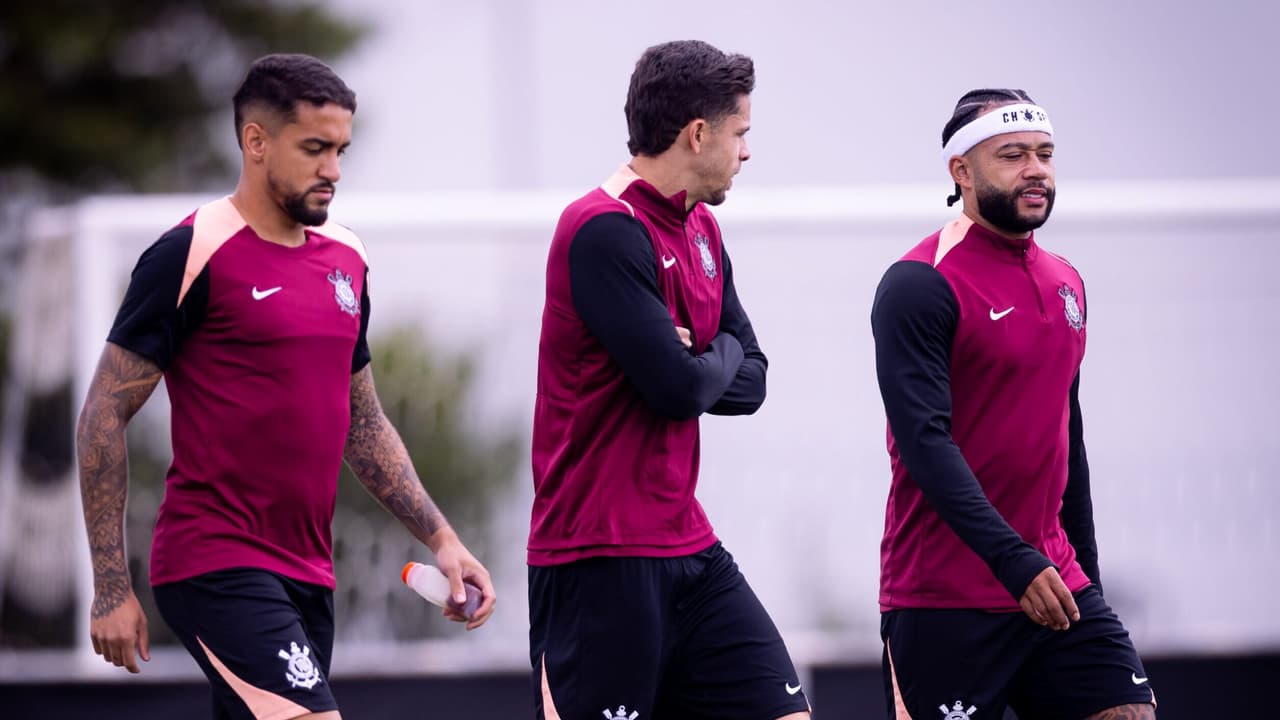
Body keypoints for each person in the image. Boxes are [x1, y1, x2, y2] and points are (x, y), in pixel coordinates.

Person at [76, 53, 496, 720]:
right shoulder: (190, 253)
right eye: (314, 148)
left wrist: (444, 540)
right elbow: (104, 411)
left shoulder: (347, 260)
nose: (332, 169)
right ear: (256, 141)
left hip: (307, 572)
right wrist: (108, 587)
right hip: (214, 562)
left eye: (341, 150)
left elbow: (363, 423)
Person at [527, 40, 810, 720]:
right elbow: (679, 391)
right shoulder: (602, 229)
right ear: (698, 133)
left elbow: (753, 381)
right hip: (597, 557)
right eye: (741, 133)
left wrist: (701, 356)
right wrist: (710, 361)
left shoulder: (704, 230)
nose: (747, 152)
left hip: (689, 547)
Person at [870, 88, 1156, 720]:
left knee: (1128, 711)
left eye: (1045, 154)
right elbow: (924, 443)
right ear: (961, 172)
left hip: (1054, 582)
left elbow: (1067, 441)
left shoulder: (1066, 282)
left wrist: (1088, 578)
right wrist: (1013, 561)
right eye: (1012, 155)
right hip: (945, 598)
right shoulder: (920, 283)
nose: (1036, 169)